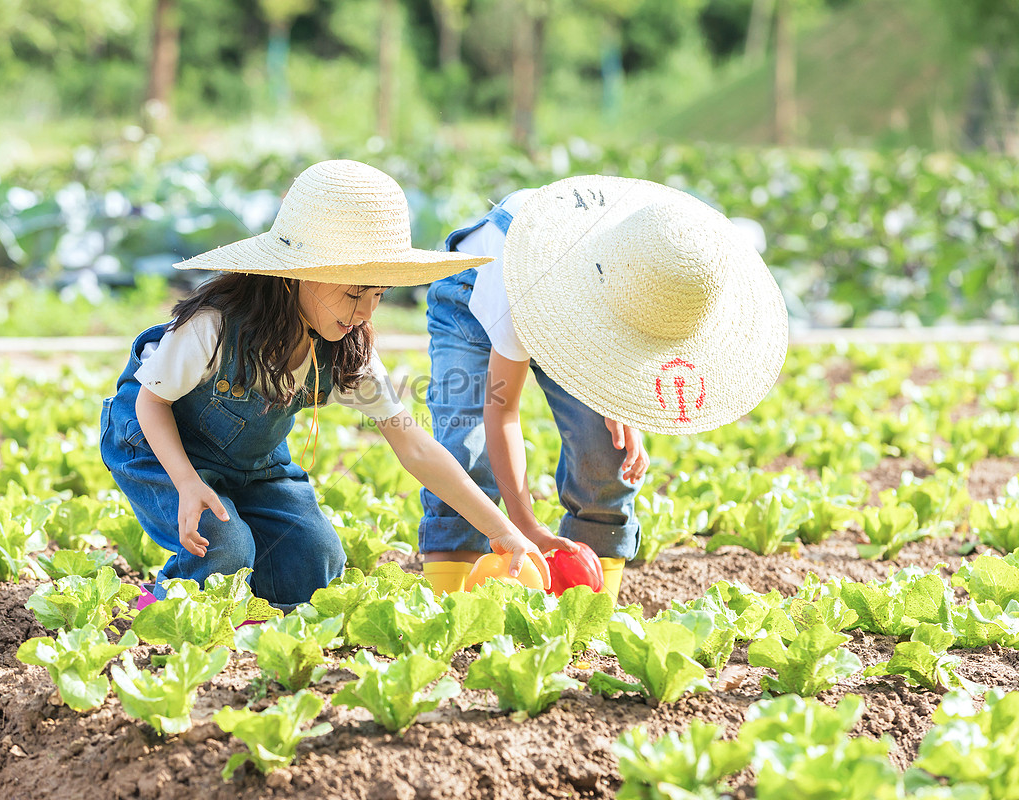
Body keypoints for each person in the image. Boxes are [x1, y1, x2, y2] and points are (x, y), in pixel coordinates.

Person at [99, 160, 577, 611]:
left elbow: (416, 448)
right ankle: (163, 605)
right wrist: (187, 483)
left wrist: (504, 531)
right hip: (156, 446)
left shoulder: (350, 352)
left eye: (378, 295)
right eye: (353, 293)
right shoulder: (213, 327)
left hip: (251, 464)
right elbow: (151, 400)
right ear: (296, 276)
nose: (366, 312)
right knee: (225, 544)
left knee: (317, 559)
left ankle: (246, 603)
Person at [419, 176, 789, 599]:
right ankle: (450, 599)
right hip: (475, 295)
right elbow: (501, 410)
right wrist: (525, 527)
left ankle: (587, 603)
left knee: (609, 453)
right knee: (464, 451)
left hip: (595, 292)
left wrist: (617, 397)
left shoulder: (649, 269)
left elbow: (618, 332)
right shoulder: (526, 281)